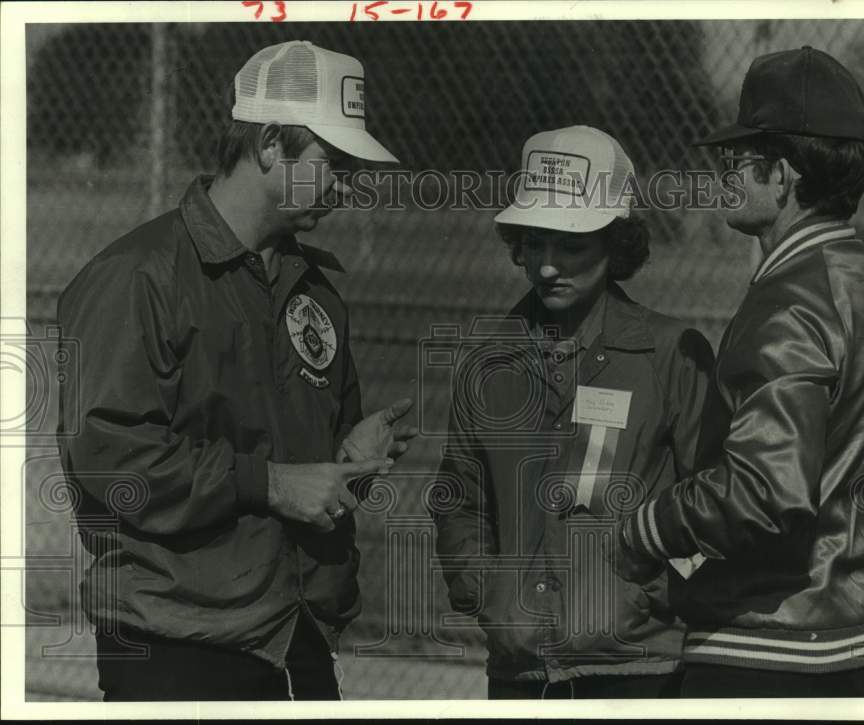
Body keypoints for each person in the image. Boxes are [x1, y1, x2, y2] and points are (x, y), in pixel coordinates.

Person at [56, 40, 417, 701]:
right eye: (332, 162)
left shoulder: (314, 291)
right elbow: (109, 459)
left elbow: (296, 480)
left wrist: (343, 463)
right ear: (271, 145)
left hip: (295, 636)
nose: (348, 184)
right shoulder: (139, 278)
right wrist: (274, 483)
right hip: (180, 642)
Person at [613, 46, 864, 697]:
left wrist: (646, 526)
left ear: (782, 175)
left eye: (736, 161)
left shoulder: (791, 294)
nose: (722, 173)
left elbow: (765, 492)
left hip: (773, 645)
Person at [432, 126, 722, 699]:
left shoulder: (670, 355)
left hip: (638, 668)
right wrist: (486, 592)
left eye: (570, 246)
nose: (546, 267)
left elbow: (716, 500)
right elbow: (459, 497)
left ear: (616, 246)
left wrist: (662, 596)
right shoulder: (488, 359)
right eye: (534, 243)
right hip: (519, 671)